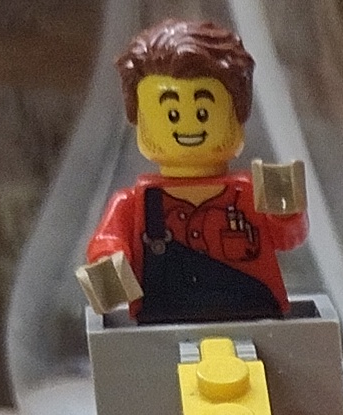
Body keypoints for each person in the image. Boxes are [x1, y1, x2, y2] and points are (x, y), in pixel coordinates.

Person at [76, 19, 307, 327]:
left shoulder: (253, 191)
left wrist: (287, 214)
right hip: (160, 328)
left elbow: (288, 238)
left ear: (238, 113)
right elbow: (107, 242)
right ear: (139, 119)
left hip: (255, 318)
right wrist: (110, 259)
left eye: (202, 113)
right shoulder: (132, 203)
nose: (187, 126)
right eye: (171, 114)